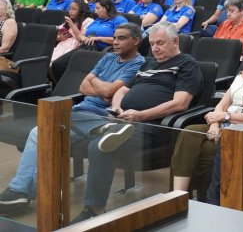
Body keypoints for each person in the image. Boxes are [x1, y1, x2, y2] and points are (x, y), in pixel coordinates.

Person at [0, 23, 146, 215]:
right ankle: (21, 189)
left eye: (122, 38)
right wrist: (101, 88)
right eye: (115, 37)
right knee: (40, 132)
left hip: (103, 115)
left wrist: (96, 82)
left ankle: (20, 190)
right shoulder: (109, 57)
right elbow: (83, 87)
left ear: (136, 41)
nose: (116, 42)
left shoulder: (139, 63)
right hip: (80, 110)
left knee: (45, 130)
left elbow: (110, 93)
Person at [70, 22, 204, 222]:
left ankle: (93, 211)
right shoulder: (147, 63)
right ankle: (104, 127)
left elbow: (180, 103)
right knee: (68, 113)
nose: (155, 48)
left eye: (160, 43)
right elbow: (122, 90)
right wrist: (116, 108)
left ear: (175, 41)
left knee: (98, 146)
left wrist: (141, 116)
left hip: (153, 126)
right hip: (123, 121)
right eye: (152, 44)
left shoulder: (186, 64)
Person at [172, 27, 243, 198]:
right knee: (188, 133)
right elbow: (222, 104)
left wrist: (224, 117)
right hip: (222, 124)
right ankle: (178, 196)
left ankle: (203, 199)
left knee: (203, 151)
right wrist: (215, 125)